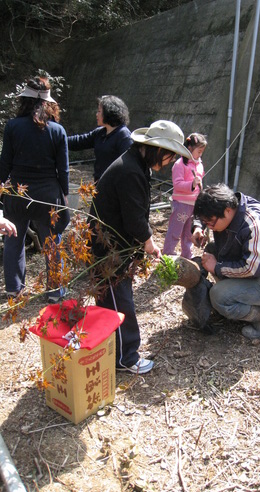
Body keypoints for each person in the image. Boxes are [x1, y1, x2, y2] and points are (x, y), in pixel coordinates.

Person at [89, 120, 192, 373]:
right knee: (119, 303)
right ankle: (126, 358)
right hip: (109, 251)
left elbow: (134, 213)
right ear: (158, 149)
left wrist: (142, 245)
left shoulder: (136, 163)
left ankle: (110, 349)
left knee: (111, 301)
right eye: (169, 156)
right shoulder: (130, 170)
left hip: (115, 245)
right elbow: (135, 219)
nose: (168, 163)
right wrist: (149, 242)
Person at [190, 183, 260, 339]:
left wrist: (217, 268)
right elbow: (204, 212)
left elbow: (253, 269)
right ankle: (237, 299)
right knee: (212, 249)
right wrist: (198, 227)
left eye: (210, 223)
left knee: (218, 296)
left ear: (227, 211)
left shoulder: (255, 225)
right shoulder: (225, 203)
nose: (209, 226)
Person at [0, 76, 70, 302]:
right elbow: (64, 170)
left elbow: (5, 163)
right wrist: (65, 195)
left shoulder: (12, 127)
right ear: (49, 104)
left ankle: (14, 288)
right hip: (47, 196)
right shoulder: (58, 130)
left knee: (13, 238)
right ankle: (55, 291)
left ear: (25, 101)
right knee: (52, 241)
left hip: (17, 193)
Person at [68, 95, 132, 182]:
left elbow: (129, 165)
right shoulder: (100, 132)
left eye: (99, 111)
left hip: (114, 187)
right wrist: (58, 138)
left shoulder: (123, 135)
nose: (96, 114)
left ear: (109, 112)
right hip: (99, 184)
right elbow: (78, 142)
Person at [163, 133, 207, 259]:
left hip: (193, 203)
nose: (200, 155)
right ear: (189, 148)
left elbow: (200, 181)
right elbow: (177, 184)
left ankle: (187, 254)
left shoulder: (199, 164)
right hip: (181, 203)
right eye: (199, 151)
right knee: (175, 231)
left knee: (189, 232)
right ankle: (168, 253)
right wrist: (192, 184)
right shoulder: (179, 164)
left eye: (202, 152)